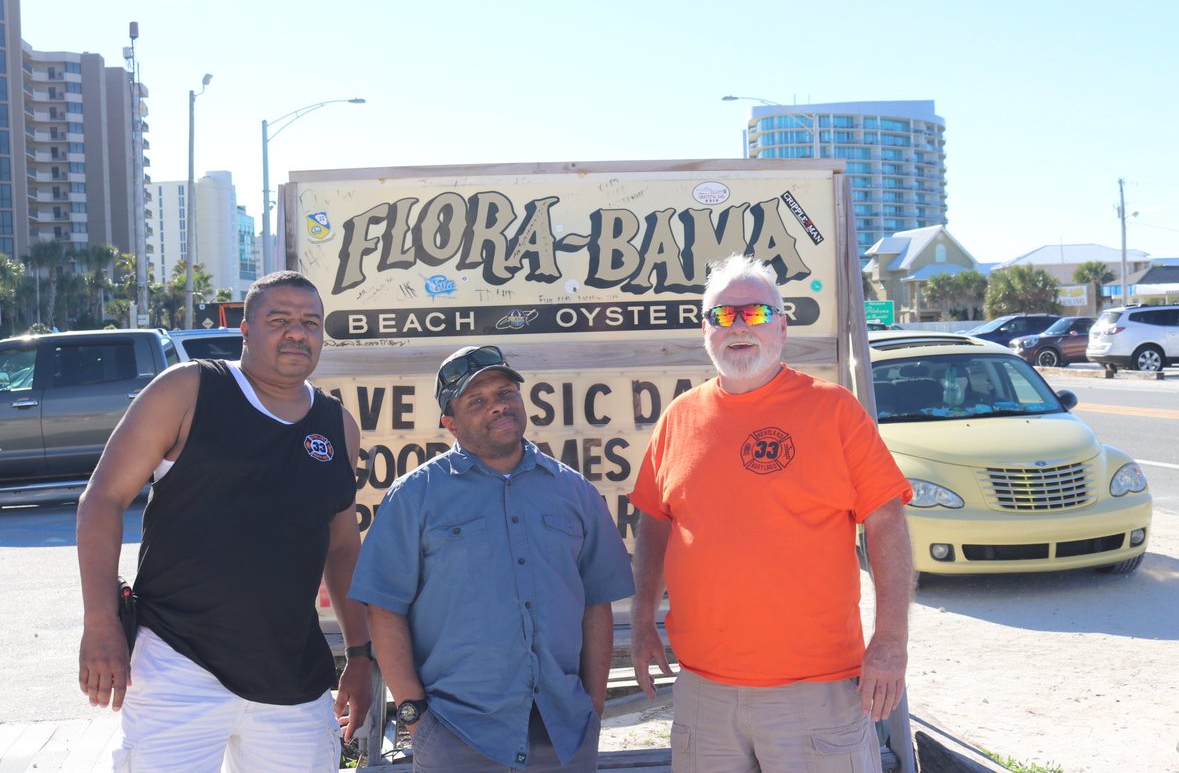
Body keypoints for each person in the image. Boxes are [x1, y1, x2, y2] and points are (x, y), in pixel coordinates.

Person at [629, 254, 915, 773]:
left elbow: (887, 521)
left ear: (782, 326)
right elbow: (654, 520)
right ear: (705, 330)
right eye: (722, 315)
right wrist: (643, 615)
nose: (738, 326)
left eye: (756, 314)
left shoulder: (834, 410)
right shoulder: (679, 417)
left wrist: (890, 642)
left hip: (816, 693)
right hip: (704, 693)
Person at [77, 271, 372, 773]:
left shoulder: (337, 424)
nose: (297, 332)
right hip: (178, 664)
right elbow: (102, 499)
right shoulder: (190, 389)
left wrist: (361, 656)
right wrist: (100, 622)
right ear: (246, 329)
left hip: (293, 677)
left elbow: (342, 547)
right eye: (279, 319)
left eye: (311, 322)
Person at [349, 345, 634, 772]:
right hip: (457, 733)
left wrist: (592, 703)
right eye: (477, 401)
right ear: (450, 422)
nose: (498, 406)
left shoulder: (575, 492)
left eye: (505, 393)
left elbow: (596, 604)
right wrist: (414, 715)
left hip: (564, 732)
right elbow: (384, 609)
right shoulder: (414, 496)